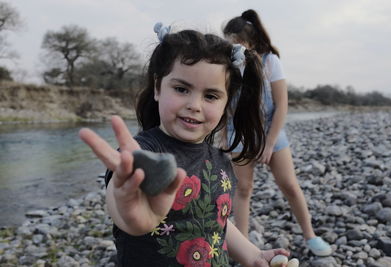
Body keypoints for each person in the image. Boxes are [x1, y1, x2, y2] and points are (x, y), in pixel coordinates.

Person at [79, 22, 292, 266]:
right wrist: (130, 215)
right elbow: (122, 205)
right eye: (181, 89)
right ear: (158, 87)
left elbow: (214, 220)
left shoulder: (219, 159)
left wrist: (253, 255)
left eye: (210, 96)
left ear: (227, 102)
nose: (195, 105)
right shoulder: (144, 154)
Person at [223, 10, 332, 257]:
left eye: (234, 42)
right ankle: (244, 247)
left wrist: (269, 143)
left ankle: (310, 235)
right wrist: (221, 136)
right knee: (242, 189)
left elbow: (282, 104)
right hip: (237, 134)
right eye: (226, 42)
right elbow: (222, 105)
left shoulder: (270, 61)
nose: (230, 47)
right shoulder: (225, 66)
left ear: (248, 42)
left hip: (271, 131)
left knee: (290, 185)